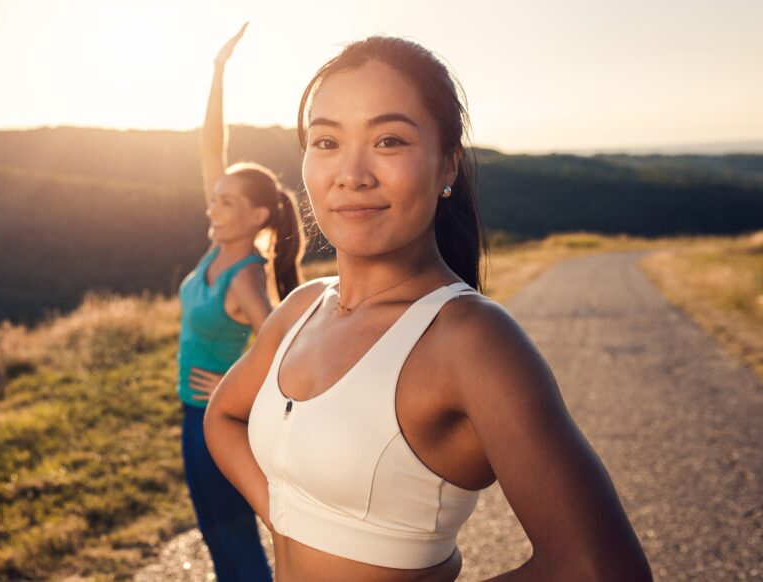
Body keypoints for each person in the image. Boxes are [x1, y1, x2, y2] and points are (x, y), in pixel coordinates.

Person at [204, 37, 652, 581]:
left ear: (448, 167)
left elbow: (602, 570)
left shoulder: (472, 340)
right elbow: (223, 416)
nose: (351, 173)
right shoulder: (302, 307)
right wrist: (282, 517)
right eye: (325, 141)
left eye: (389, 140)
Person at [177, 23, 305, 582]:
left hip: (217, 419)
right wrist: (218, 72)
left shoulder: (246, 278)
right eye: (215, 197)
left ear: (257, 217)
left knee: (232, 536)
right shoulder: (219, 249)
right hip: (193, 415)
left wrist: (242, 394)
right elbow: (212, 150)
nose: (214, 206)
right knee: (218, 534)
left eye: (227, 202)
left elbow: (289, 352)